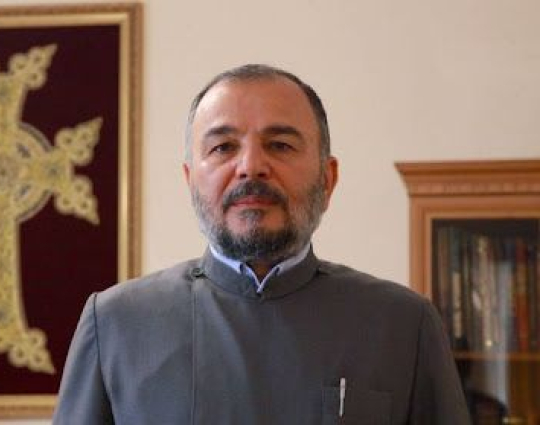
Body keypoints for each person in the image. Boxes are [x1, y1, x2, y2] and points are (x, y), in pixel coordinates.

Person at [52, 64, 470, 424]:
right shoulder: (115, 325)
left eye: (280, 145)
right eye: (223, 147)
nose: (251, 166)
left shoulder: (404, 326)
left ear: (327, 179)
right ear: (191, 181)